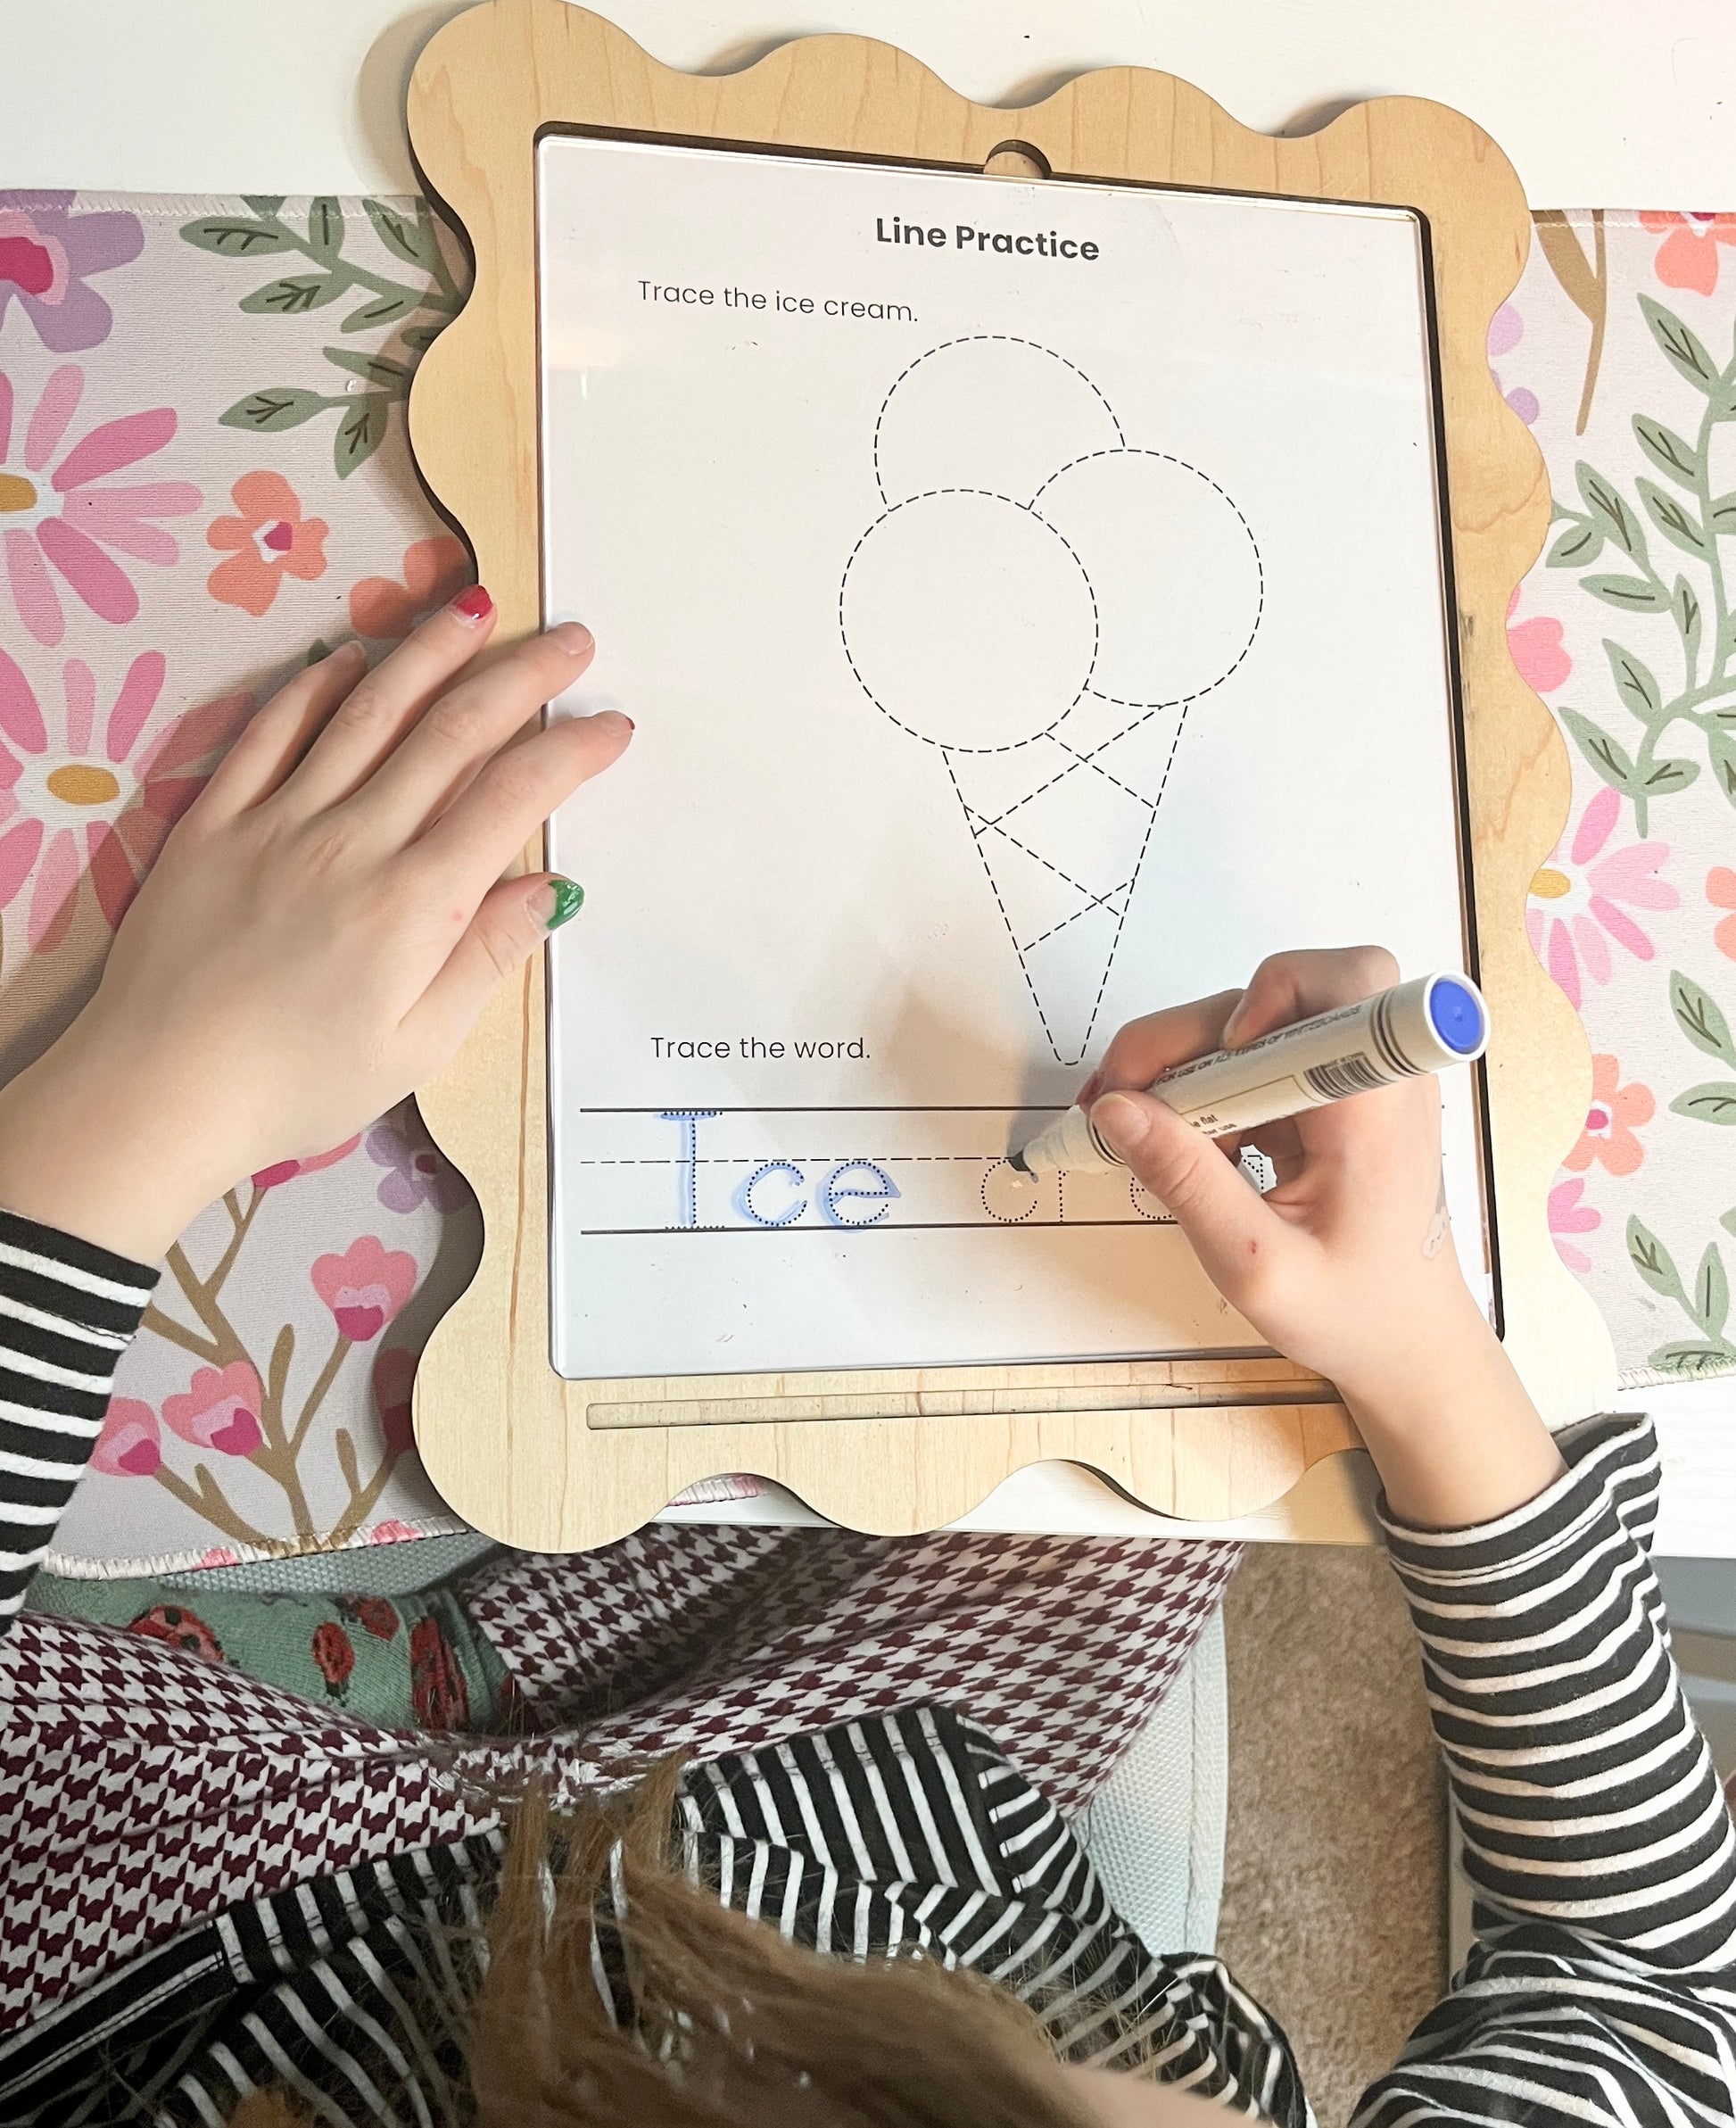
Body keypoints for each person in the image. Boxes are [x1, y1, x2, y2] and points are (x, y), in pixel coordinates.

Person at [0, 593, 1730, 2126]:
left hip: (202, 1899)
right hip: (867, 1805)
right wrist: (1419, 1344)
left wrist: (153, 1089)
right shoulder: (1045, 2004)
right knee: (1155, 1433)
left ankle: (371, 1652)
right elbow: (1646, 1982)